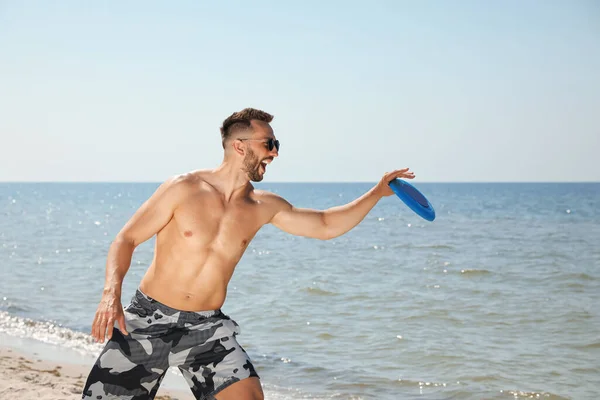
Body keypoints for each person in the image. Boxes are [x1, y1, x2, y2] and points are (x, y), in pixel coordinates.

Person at [81, 108, 415, 400]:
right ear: (240, 146)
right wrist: (111, 293)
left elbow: (326, 224)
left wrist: (376, 193)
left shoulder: (262, 205)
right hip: (148, 321)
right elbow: (126, 239)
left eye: (276, 144)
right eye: (269, 144)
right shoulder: (183, 188)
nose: (275, 153)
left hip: (206, 329)